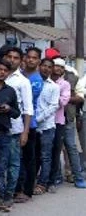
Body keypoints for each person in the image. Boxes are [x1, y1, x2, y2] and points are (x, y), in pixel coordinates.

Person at [0, 46, 34, 204]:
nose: (11, 60)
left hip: (15, 128)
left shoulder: (23, 82)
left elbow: (28, 109)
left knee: (13, 164)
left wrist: (25, 132)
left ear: (21, 61)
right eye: (9, 57)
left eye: (15, 58)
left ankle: (10, 194)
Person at [0, 59, 21, 212]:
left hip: (4, 134)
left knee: (2, 167)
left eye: (5, 70)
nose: (2, 72)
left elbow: (17, 113)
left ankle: (0, 197)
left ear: (8, 73)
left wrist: (8, 109)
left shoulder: (10, 91)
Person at [16, 47, 43, 202]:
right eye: (29, 57)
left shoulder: (36, 80)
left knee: (29, 158)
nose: (31, 60)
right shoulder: (20, 75)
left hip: (29, 123)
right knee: (18, 159)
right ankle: (18, 188)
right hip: (16, 122)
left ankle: (27, 191)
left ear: (38, 60)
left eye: (35, 58)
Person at [35, 58, 61, 195]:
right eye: (44, 66)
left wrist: (37, 118)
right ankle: (32, 181)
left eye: (49, 67)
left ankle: (43, 183)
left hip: (46, 126)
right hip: (32, 126)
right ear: (39, 66)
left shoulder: (54, 87)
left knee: (45, 156)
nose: (46, 69)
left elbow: (53, 106)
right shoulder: (33, 82)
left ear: (52, 70)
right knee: (34, 155)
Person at [49, 58, 71, 191]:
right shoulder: (44, 81)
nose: (57, 69)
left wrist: (50, 97)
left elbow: (63, 102)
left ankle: (54, 178)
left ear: (63, 70)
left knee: (56, 150)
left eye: (60, 67)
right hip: (44, 122)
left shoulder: (65, 84)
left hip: (58, 122)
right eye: (55, 66)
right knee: (43, 151)